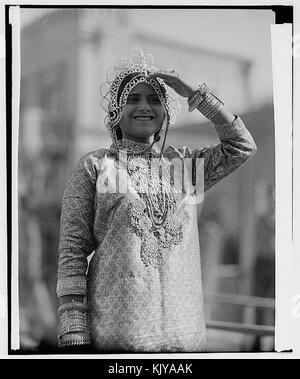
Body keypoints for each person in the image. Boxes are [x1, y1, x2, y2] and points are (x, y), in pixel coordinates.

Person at [56, 49, 257, 352]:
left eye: (154, 99)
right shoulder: (95, 166)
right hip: (118, 335)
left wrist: (193, 94)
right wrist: (74, 332)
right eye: (133, 99)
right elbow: (72, 250)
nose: (144, 107)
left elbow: (241, 146)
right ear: (116, 111)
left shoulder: (186, 165)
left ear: (165, 112)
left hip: (184, 334)